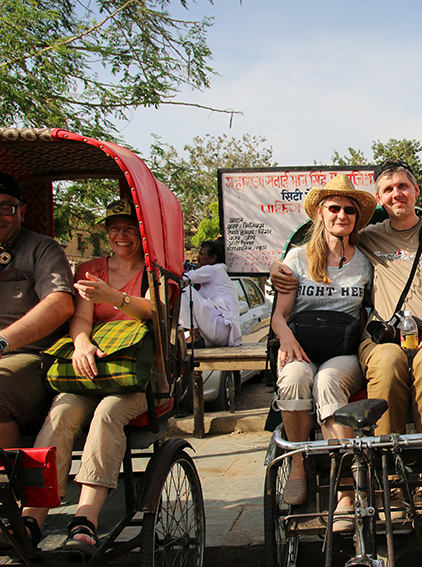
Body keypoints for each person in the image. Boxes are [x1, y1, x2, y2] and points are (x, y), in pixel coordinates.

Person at [271, 159, 422, 511]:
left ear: (415, 191)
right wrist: (276, 268)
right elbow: (315, 244)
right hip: (383, 339)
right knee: (387, 362)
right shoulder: (367, 237)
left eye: (403, 187)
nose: (397, 194)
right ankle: (387, 475)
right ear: (379, 198)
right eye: (388, 190)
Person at [21, 198, 159, 554]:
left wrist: (112, 296)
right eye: (114, 228)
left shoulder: (152, 272)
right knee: (61, 413)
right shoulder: (90, 269)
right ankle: (32, 516)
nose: (121, 235)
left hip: (133, 376)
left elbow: (152, 311)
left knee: (107, 414)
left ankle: (86, 518)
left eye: (129, 228)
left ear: (140, 233)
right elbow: (81, 317)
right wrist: (81, 342)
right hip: (90, 370)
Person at [270, 175, 374, 532]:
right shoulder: (297, 259)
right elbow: (279, 316)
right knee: (295, 376)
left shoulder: (366, 262)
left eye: (349, 210)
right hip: (301, 344)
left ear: (356, 218)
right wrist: (285, 339)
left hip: (343, 352)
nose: (341, 215)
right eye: (334, 208)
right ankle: (298, 463)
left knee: (328, 380)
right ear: (320, 212)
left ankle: (345, 484)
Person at [0, 172, 75, 448]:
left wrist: (3, 342)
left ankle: (8, 487)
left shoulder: (42, 249)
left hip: (32, 358)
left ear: (22, 211)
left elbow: (60, 304)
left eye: (5, 207)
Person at [180, 239, 242, 348]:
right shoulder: (217, 272)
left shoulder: (212, 270)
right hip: (223, 333)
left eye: (201, 254)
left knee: (181, 289)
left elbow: (184, 278)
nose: (198, 258)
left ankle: (194, 334)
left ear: (213, 258)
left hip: (220, 327)